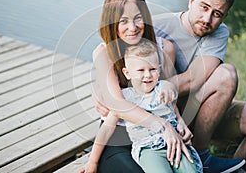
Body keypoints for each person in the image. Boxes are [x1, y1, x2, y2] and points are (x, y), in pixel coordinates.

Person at [150, 0, 246, 172]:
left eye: (216, 14)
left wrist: (159, 85)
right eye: (204, 7)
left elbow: (193, 79)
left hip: (203, 112)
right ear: (191, 1)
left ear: (225, 16)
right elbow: (114, 47)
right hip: (167, 114)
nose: (207, 19)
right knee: (226, 74)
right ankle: (201, 157)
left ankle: (221, 165)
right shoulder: (159, 26)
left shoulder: (219, 32)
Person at [90, 0, 197, 173]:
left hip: (159, 133)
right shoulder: (104, 54)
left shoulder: (165, 49)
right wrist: (163, 125)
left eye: (138, 18)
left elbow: (166, 94)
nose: (132, 27)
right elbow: (117, 105)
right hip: (119, 133)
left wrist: (178, 122)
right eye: (123, 21)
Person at [79, 41, 202, 173]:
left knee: (190, 170)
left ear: (159, 70)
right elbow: (105, 130)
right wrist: (93, 161)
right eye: (141, 70)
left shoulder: (162, 89)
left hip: (175, 142)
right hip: (149, 150)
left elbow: (171, 99)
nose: (148, 75)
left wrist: (169, 86)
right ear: (127, 73)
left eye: (152, 69)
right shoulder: (125, 99)